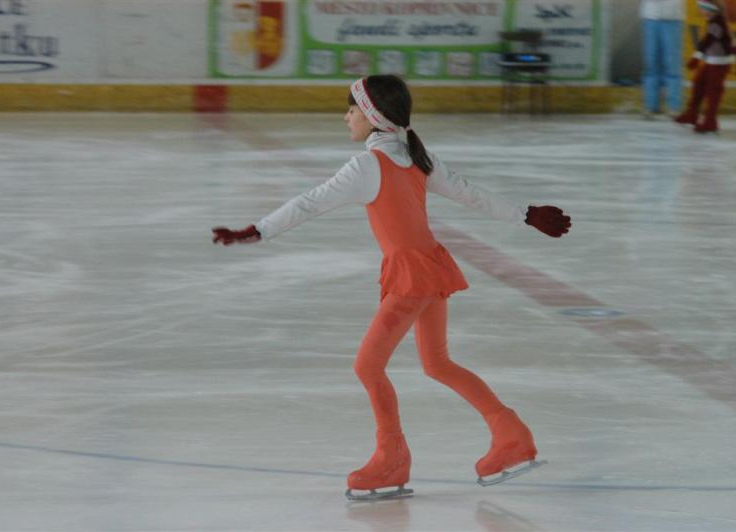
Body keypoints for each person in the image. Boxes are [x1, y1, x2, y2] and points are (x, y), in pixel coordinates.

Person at [211, 75, 571, 501]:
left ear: (374, 116)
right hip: (430, 268)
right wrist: (524, 214)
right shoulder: (412, 154)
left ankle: (391, 458)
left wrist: (257, 231)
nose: (346, 116)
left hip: (411, 278)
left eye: (352, 108)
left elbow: (310, 202)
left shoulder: (369, 166)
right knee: (437, 364)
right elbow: (469, 193)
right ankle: (511, 435)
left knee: (368, 366)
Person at [675, 0, 736, 133]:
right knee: (699, 84)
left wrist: (696, 57)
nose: (700, 10)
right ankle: (692, 114)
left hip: (720, 62)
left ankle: (710, 121)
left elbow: (709, 40)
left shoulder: (717, 22)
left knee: (713, 91)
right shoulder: (714, 20)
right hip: (713, 60)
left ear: (710, 9)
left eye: (702, 8)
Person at [640, 0, 685, 118]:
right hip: (651, 17)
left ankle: (674, 106)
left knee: (672, 64)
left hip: (672, 18)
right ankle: (650, 105)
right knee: (651, 63)